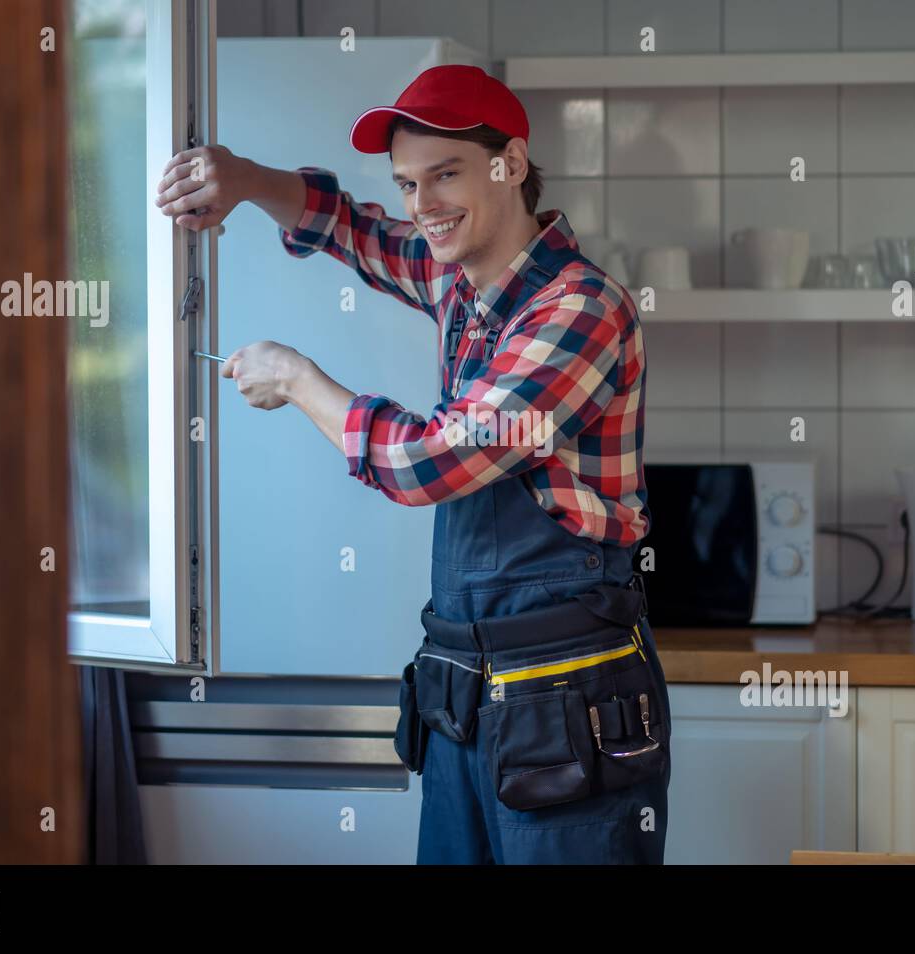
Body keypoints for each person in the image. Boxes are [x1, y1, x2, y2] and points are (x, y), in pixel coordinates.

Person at [154, 64, 670, 865]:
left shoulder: (580, 310)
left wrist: (295, 378)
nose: (422, 205)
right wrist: (243, 178)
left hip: (571, 698)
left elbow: (434, 463)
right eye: (405, 183)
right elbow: (351, 229)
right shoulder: (460, 285)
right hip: (463, 693)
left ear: (512, 163)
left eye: (445, 175)